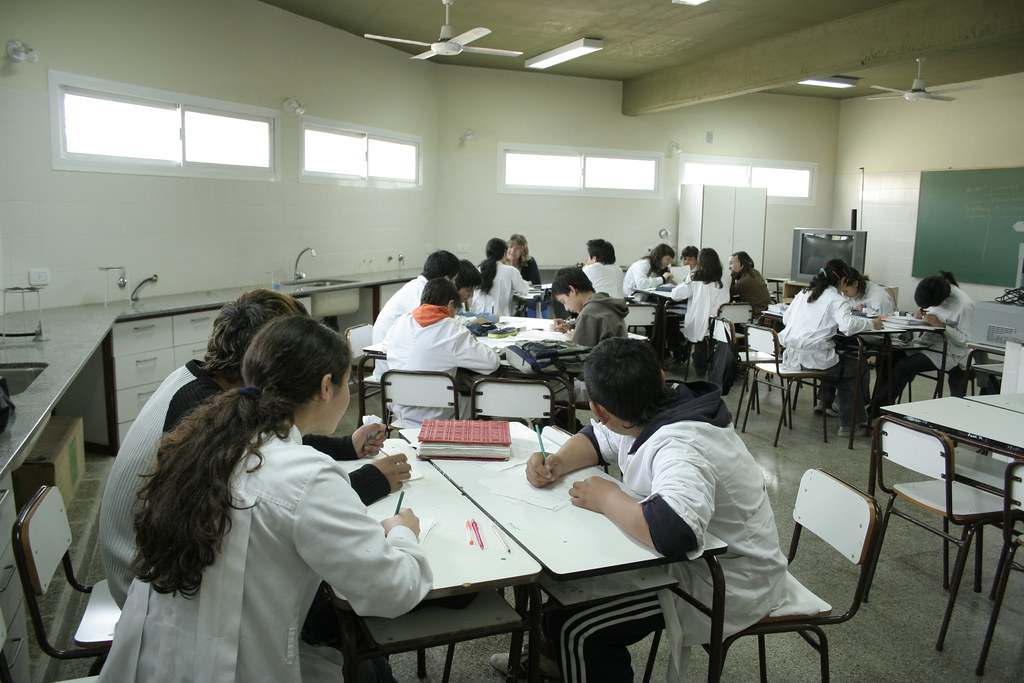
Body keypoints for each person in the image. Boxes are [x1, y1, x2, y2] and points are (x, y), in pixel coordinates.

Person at [99, 315, 432, 682]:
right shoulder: (306, 474)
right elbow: (393, 591)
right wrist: (402, 533)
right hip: (222, 665)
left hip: (152, 654)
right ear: (326, 387)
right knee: (361, 662)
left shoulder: (206, 439)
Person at [492, 337, 786, 683]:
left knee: (582, 628)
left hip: (721, 579)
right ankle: (562, 664)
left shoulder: (683, 445)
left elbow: (675, 532)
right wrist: (557, 461)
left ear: (599, 408)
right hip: (677, 563)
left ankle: (573, 656)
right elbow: (599, 439)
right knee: (562, 590)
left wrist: (607, 498)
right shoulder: (650, 403)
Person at [100, 289, 410, 609]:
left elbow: (271, 440)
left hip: (163, 569)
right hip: (145, 577)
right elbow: (289, 497)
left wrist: (346, 446)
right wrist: (373, 479)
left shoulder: (208, 386)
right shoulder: (198, 406)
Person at [779, 259, 883, 436]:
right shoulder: (836, 299)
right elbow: (848, 326)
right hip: (815, 361)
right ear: (842, 280)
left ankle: (831, 404)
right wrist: (872, 324)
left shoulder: (804, 293)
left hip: (793, 358)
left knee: (844, 364)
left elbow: (785, 319)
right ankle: (851, 424)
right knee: (857, 366)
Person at [383, 278, 501, 427]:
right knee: (480, 399)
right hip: (442, 415)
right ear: (451, 304)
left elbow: (385, 347)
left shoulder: (401, 322)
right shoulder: (453, 329)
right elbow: (492, 363)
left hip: (401, 410)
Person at [871, 270, 974, 412]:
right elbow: (927, 310)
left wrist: (943, 326)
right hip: (926, 342)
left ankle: (876, 409)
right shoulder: (933, 288)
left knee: (903, 367)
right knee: (887, 357)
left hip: (949, 352)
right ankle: (880, 402)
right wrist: (919, 315)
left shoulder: (965, 305)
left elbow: (967, 341)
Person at [372, 250, 459, 344]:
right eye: (454, 279)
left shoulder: (421, 287)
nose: (454, 284)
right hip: (387, 351)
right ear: (445, 279)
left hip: (399, 345)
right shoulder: (421, 291)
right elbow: (434, 327)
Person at [670, 248, 730, 376]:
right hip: (721, 321)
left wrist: (679, 284)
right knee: (707, 336)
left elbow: (676, 295)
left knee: (700, 338)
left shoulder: (695, 276)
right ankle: (712, 363)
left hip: (701, 320)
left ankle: (700, 366)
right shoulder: (725, 275)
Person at [550, 267, 628, 347]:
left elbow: (581, 354)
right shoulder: (603, 304)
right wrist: (570, 326)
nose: (566, 308)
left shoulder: (587, 314)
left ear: (572, 290)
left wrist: (572, 341)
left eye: (563, 302)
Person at [470, 237, 530, 316]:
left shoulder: (480, 268)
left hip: (477, 317)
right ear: (504, 252)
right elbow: (524, 289)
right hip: (500, 319)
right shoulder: (510, 270)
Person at [728, 251, 772, 318]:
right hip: (763, 312)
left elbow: (729, 292)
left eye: (731, 263)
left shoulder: (746, 280)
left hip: (755, 317)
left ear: (741, 263)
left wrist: (734, 272)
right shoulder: (754, 272)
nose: (729, 267)